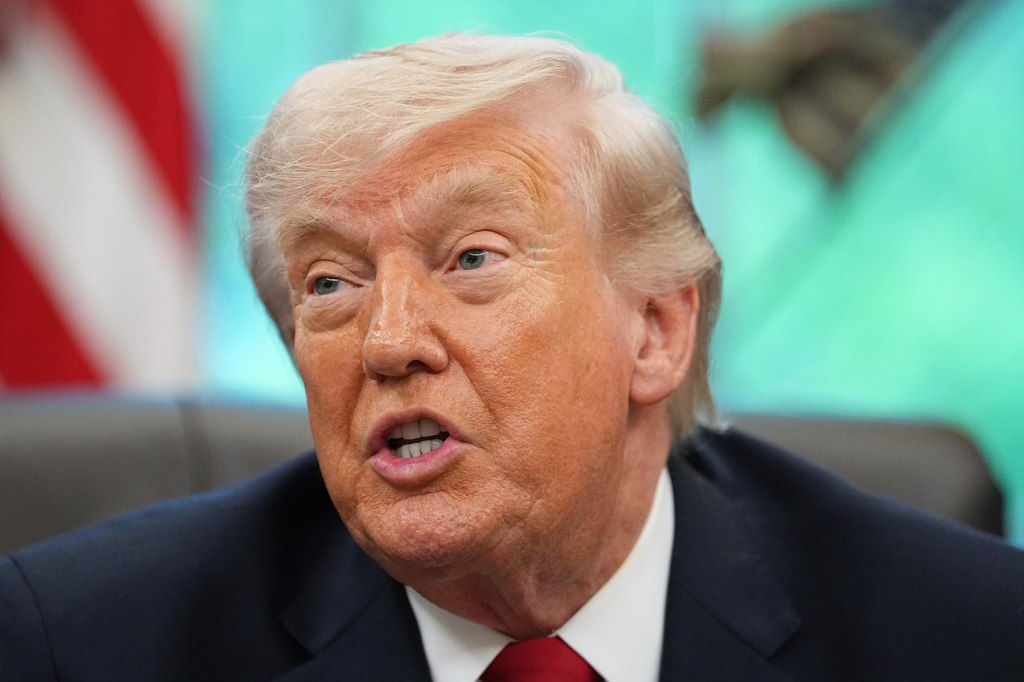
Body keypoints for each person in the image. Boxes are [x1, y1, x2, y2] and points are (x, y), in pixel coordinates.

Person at [1, 33, 1022, 681]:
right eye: (329, 284)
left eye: (472, 259)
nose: (390, 340)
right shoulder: (78, 644)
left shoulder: (967, 637)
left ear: (656, 331)